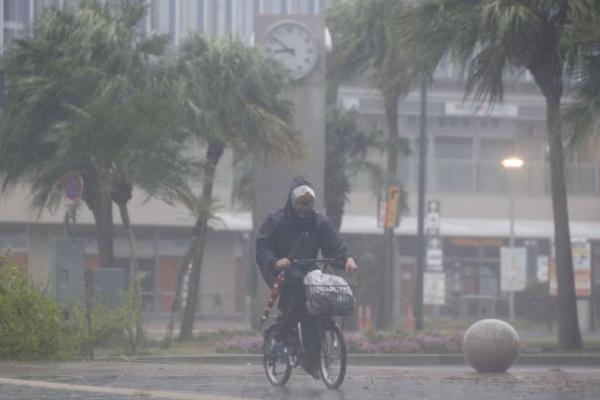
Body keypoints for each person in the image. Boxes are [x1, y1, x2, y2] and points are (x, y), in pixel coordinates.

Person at [256, 176, 358, 378]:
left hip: (309, 271)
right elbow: (263, 247)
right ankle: (281, 333)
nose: (305, 208)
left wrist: (347, 259)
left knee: (319, 304)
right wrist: (275, 262)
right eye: (300, 204)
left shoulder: (320, 222)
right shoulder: (275, 220)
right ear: (292, 202)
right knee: (295, 286)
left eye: (308, 204)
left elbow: (334, 244)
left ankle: (311, 359)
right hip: (280, 271)